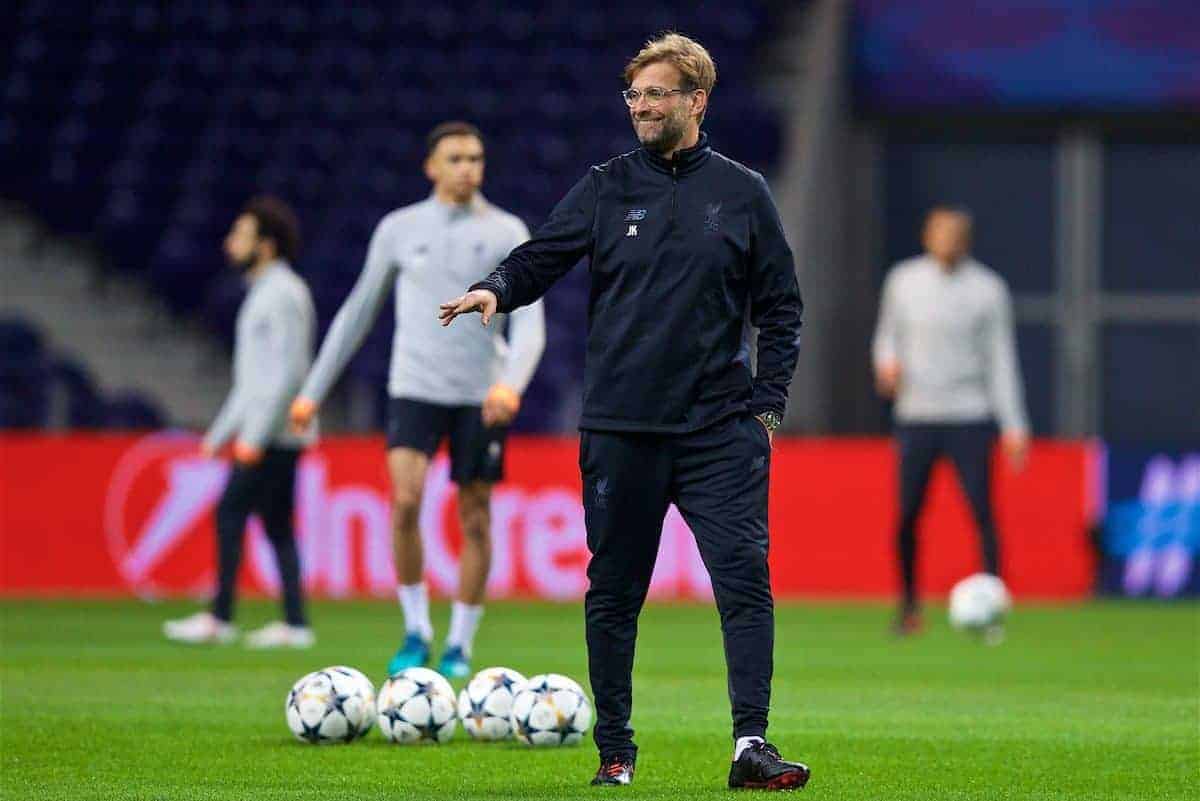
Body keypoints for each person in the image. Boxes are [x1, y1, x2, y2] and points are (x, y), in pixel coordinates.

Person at [439, 34, 809, 791]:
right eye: (634, 96)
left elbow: (781, 306)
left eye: (657, 94)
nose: (641, 107)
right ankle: (615, 752)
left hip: (719, 431)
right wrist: (496, 288)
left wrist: (767, 405)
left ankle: (751, 745)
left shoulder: (742, 193)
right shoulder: (606, 186)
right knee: (614, 594)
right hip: (620, 428)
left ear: (696, 101)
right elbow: (543, 254)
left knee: (745, 583)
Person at [288, 122, 545, 679]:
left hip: (480, 394)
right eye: (455, 158)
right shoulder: (400, 229)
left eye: (475, 158)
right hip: (414, 387)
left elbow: (531, 323)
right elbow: (358, 311)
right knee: (405, 502)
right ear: (431, 166)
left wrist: (511, 385)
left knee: (474, 518)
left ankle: (458, 643)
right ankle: (415, 628)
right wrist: (312, 391)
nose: (467, 168)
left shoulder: (506, 230)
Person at [164, 196, 317, 649]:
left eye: (241, 235)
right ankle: (294, 623)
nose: (230, 243)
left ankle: (222, 616)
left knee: (232, 513)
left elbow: (289, 372)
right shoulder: (265, 291)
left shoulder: (284, 293)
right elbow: (252, 380)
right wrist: (220, 433)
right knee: (275, 526)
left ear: (265, 246)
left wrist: (251, 437)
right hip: (269, 430)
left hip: (275, 434)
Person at [872, 206, 1030, 639]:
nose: (949, 240)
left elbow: (1001, 359)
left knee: (982, 512)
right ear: (927, 236)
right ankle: (908, 607)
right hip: (917, 414)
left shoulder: (987, 289)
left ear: (967, 239)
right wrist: (886, 364)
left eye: (956, 233)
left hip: (970, 414)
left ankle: (993, 611)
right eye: (941, 232)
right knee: (907, 516)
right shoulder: (903, 281)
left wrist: (1014, 424)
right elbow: (887, 335)